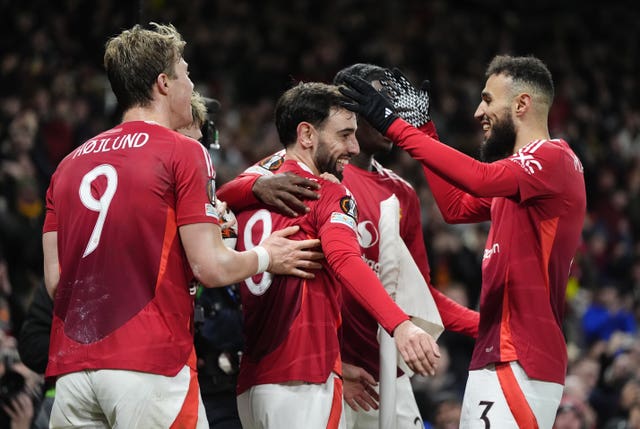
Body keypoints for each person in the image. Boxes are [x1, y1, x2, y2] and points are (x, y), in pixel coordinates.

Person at [42, 23, 322, 428]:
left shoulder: (67, 166)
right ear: (163, 84)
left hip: (70, 372)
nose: (191, 86)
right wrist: (267, 255)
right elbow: (211, 267)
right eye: (186, 74)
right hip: (149, 366)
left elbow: (57, 284)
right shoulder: (183, 151)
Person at [218, 64, 479, 429]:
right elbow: (344, 260)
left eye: (392, 106)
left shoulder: (399, 193)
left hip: (371, 373)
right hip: (315, 370)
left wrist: (482, 325)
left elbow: (417, 291)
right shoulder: (313, 182)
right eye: (376, 106)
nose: (390, 116)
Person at [339, 55, 586, 428]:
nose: (477, 112)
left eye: (487, 99)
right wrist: (424, 128)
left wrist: (396, 125)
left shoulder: (552, 159)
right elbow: (455, 207)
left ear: (521, 104)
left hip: (521, 356)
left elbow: (479, 179)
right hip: (499, 355)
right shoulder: (523, 182)